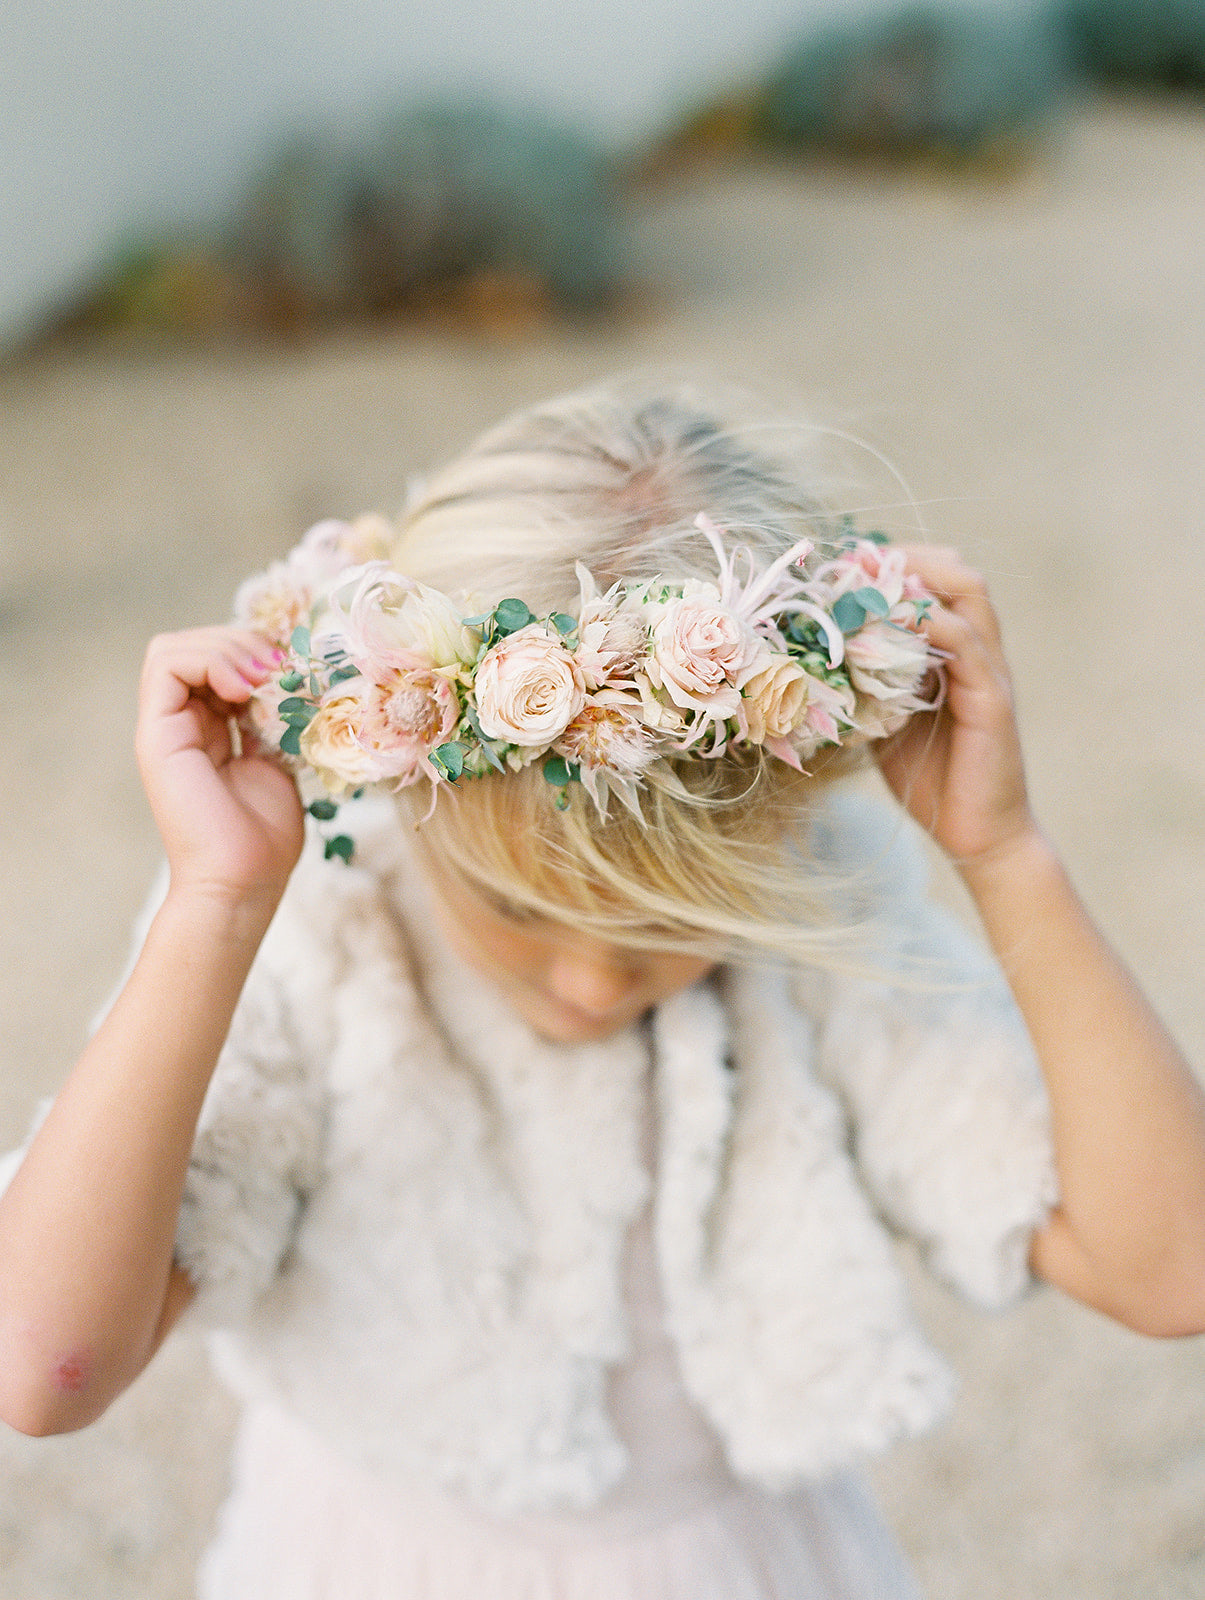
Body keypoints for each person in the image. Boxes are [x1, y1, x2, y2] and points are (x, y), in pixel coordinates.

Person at [2, 377, 1204, 1600]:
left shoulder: (814, 897)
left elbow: (1170, 1270)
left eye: (673, 922)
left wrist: (1003, 857)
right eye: (519, 908)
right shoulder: (319, 919)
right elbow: (46, 1369)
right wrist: (213, 907)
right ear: (409, 784)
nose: (590, 979)